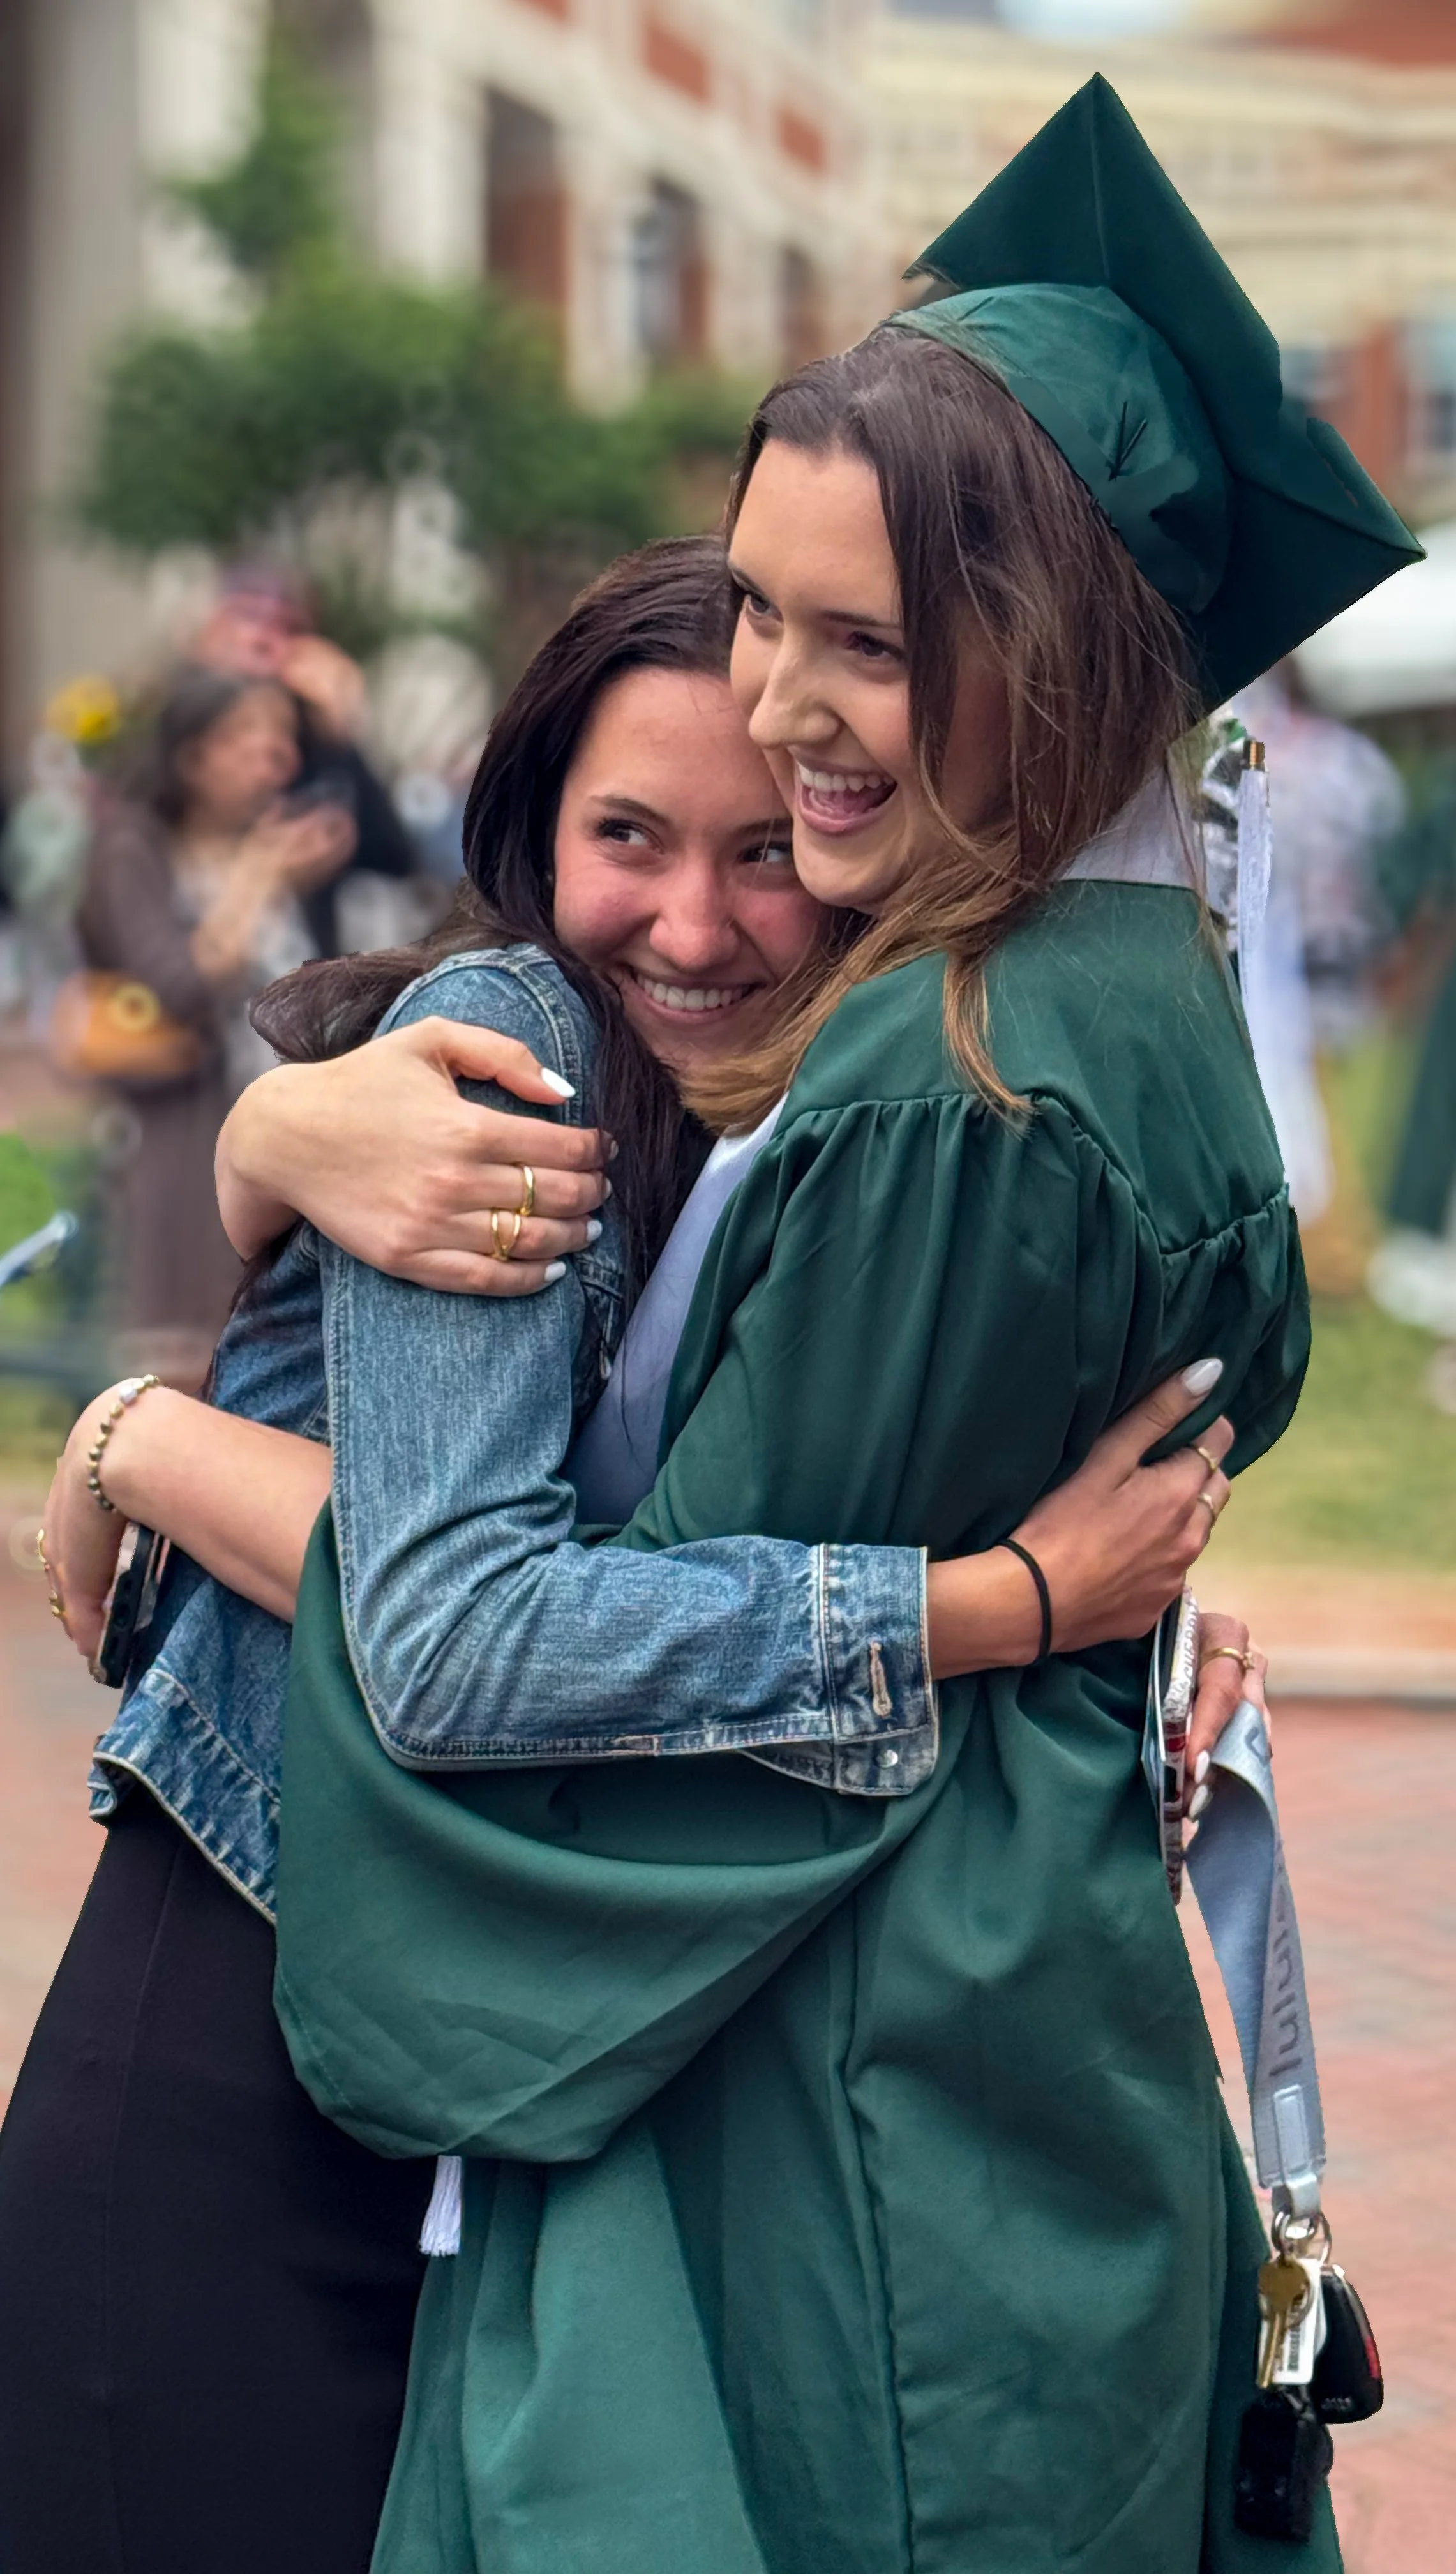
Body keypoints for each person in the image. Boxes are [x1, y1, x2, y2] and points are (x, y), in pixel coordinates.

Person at [223, 80, 1412, 2573]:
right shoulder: (1132, 994)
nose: (772, 703)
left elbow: (573, 1666)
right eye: (756, 604)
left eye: (865, 642)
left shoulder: (955, 1078)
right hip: (1019, 2022)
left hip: (820, 2079)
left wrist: (171, 1466)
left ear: (1058, 645)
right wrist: (271, 1147)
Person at [4, 538, 1236, 2574]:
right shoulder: (511, 1052)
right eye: (624, 836)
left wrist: (1147, 1613)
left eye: (764, 851)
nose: (690, 920)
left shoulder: (851, 1136)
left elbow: (685, 1545)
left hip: (541, 2119)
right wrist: (998, 1610)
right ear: (530, 828)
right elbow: (461, 1630)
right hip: (259, 2074)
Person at [75, 665, 354, 1364]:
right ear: (191, 754)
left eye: (283, 736)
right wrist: (261, 875)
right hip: (182, 1137)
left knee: (268, 1359)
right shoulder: (135, 848)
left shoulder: (274, 843)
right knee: (182, 1358)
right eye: (247, 734)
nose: (274, 755)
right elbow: (180, 985)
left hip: (284, 1143)